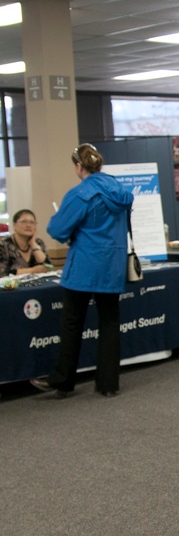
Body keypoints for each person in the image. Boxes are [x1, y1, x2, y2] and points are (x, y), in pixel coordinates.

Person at [31, 143, 135, 398]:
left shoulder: (80, 194)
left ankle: (63, 380)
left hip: (84, 266)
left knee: (72, 323)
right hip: (112, 265)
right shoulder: (121, 192)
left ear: (79, 166)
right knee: (110, 322)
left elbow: (57, 230)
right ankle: (108, 384)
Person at [2, 209, 52, 275]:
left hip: (37, 283)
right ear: (14, 225)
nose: (28, 225)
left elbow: (48, 267)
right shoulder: (3, 244)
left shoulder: (38, 242)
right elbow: (2, 273)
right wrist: (32, 270)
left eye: (32, 222)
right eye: (24, 222)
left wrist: (33, 244)